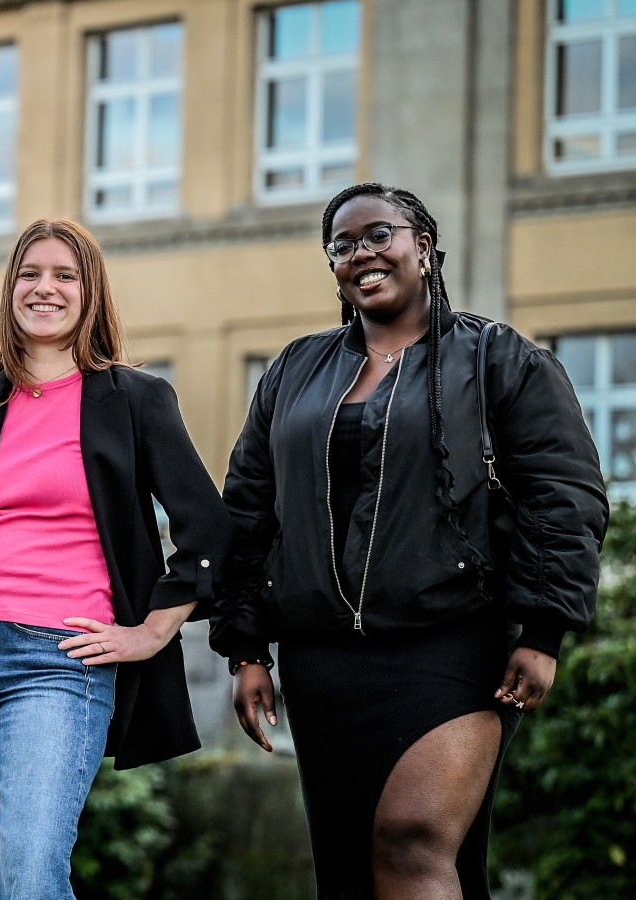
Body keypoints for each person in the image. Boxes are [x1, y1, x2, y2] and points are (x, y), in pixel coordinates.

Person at [211, 182, 609, 899]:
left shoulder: (497, 359)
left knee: (413, 837)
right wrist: (245, 647)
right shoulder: (294, 372)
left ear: (422, 247)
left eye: (379, 236)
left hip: (453, 644)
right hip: (322, 658)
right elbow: (248, 513)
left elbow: (564, 495)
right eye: (342, 245)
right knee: (348, 870)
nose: (361, 254)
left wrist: (544, 629)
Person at [0, 219, 230, 899]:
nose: (45, 288)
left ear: (90, 292)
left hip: (59, 664)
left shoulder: (134, 399)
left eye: (64, 275)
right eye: (30, 273)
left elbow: (210, 532)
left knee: (32, 878)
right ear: (11, 288)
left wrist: (151, 632)